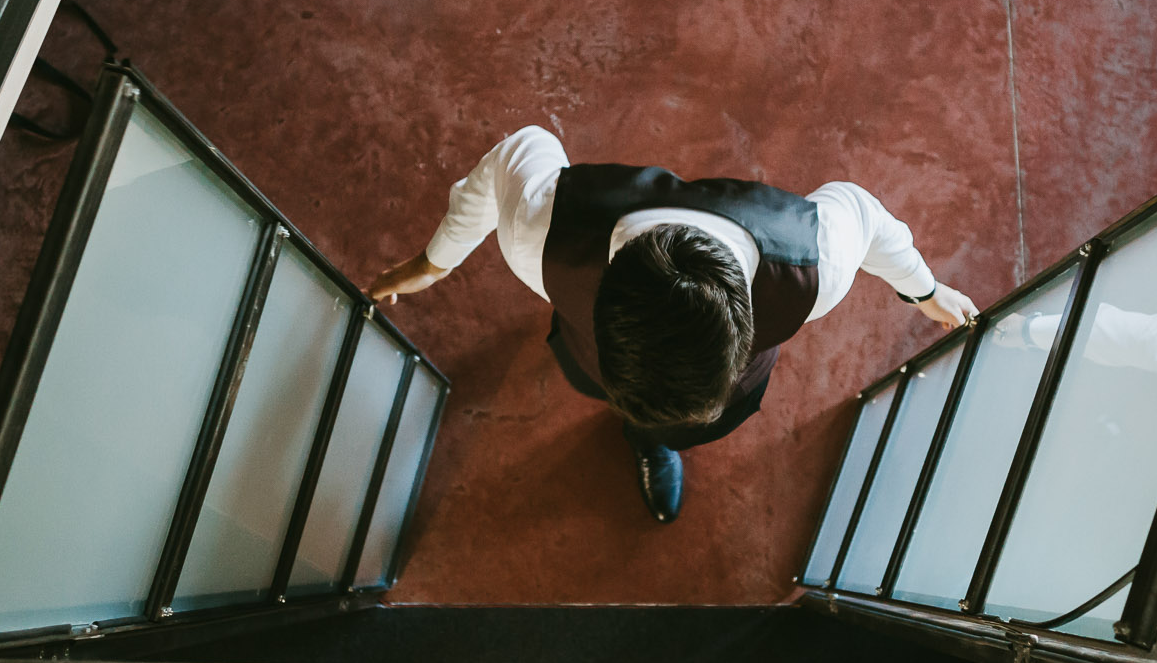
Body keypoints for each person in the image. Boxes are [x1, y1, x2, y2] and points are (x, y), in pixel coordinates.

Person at [366, 126, 977, 523]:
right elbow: (513, 154)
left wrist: (924, 289)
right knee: (616, 403)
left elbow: (865, 217)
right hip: (595, 357)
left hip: (664, 360)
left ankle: (656, 440)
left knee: (673, 427)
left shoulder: (814, 264)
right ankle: (645, 432)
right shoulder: (537, 237)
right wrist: (430, 263)